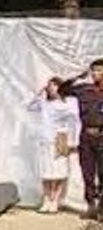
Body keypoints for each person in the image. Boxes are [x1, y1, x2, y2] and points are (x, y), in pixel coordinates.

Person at [27, 77, 78, 214]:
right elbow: (30, 107)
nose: (51, 88)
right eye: (49, 86)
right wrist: (39, 93)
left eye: (54, 85)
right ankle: (46, 198)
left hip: (60, 138)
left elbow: (74, 121)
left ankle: (55, 199)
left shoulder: (67, 103)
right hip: (45, 140)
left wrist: (73, 141)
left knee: (59, 171)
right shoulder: (44, 103)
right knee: (46, 171)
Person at [59, 60, 103, 219]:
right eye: (94, 71)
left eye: (99, 70)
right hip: (86, 135)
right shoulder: (84, 89)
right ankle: (91, 206)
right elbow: (62, 90)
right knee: (87, 173)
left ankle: (102, 208)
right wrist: (77, 76)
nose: (96, 74)